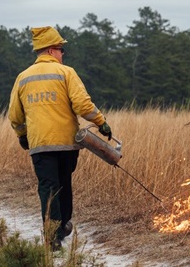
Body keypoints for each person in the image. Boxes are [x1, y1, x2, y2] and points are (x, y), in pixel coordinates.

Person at [8, 26, 112, 250]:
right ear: (52, 50)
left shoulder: (23, 78)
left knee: (47, 187)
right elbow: (83, 105)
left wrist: (22, 136)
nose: (63, 53)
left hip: (39, 145)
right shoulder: (66, 73)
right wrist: (101, 123)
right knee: (64, 183)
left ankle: (52, 235)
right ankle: (62, 226)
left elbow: (14, 116)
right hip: (67, 144)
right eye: (61, 49)